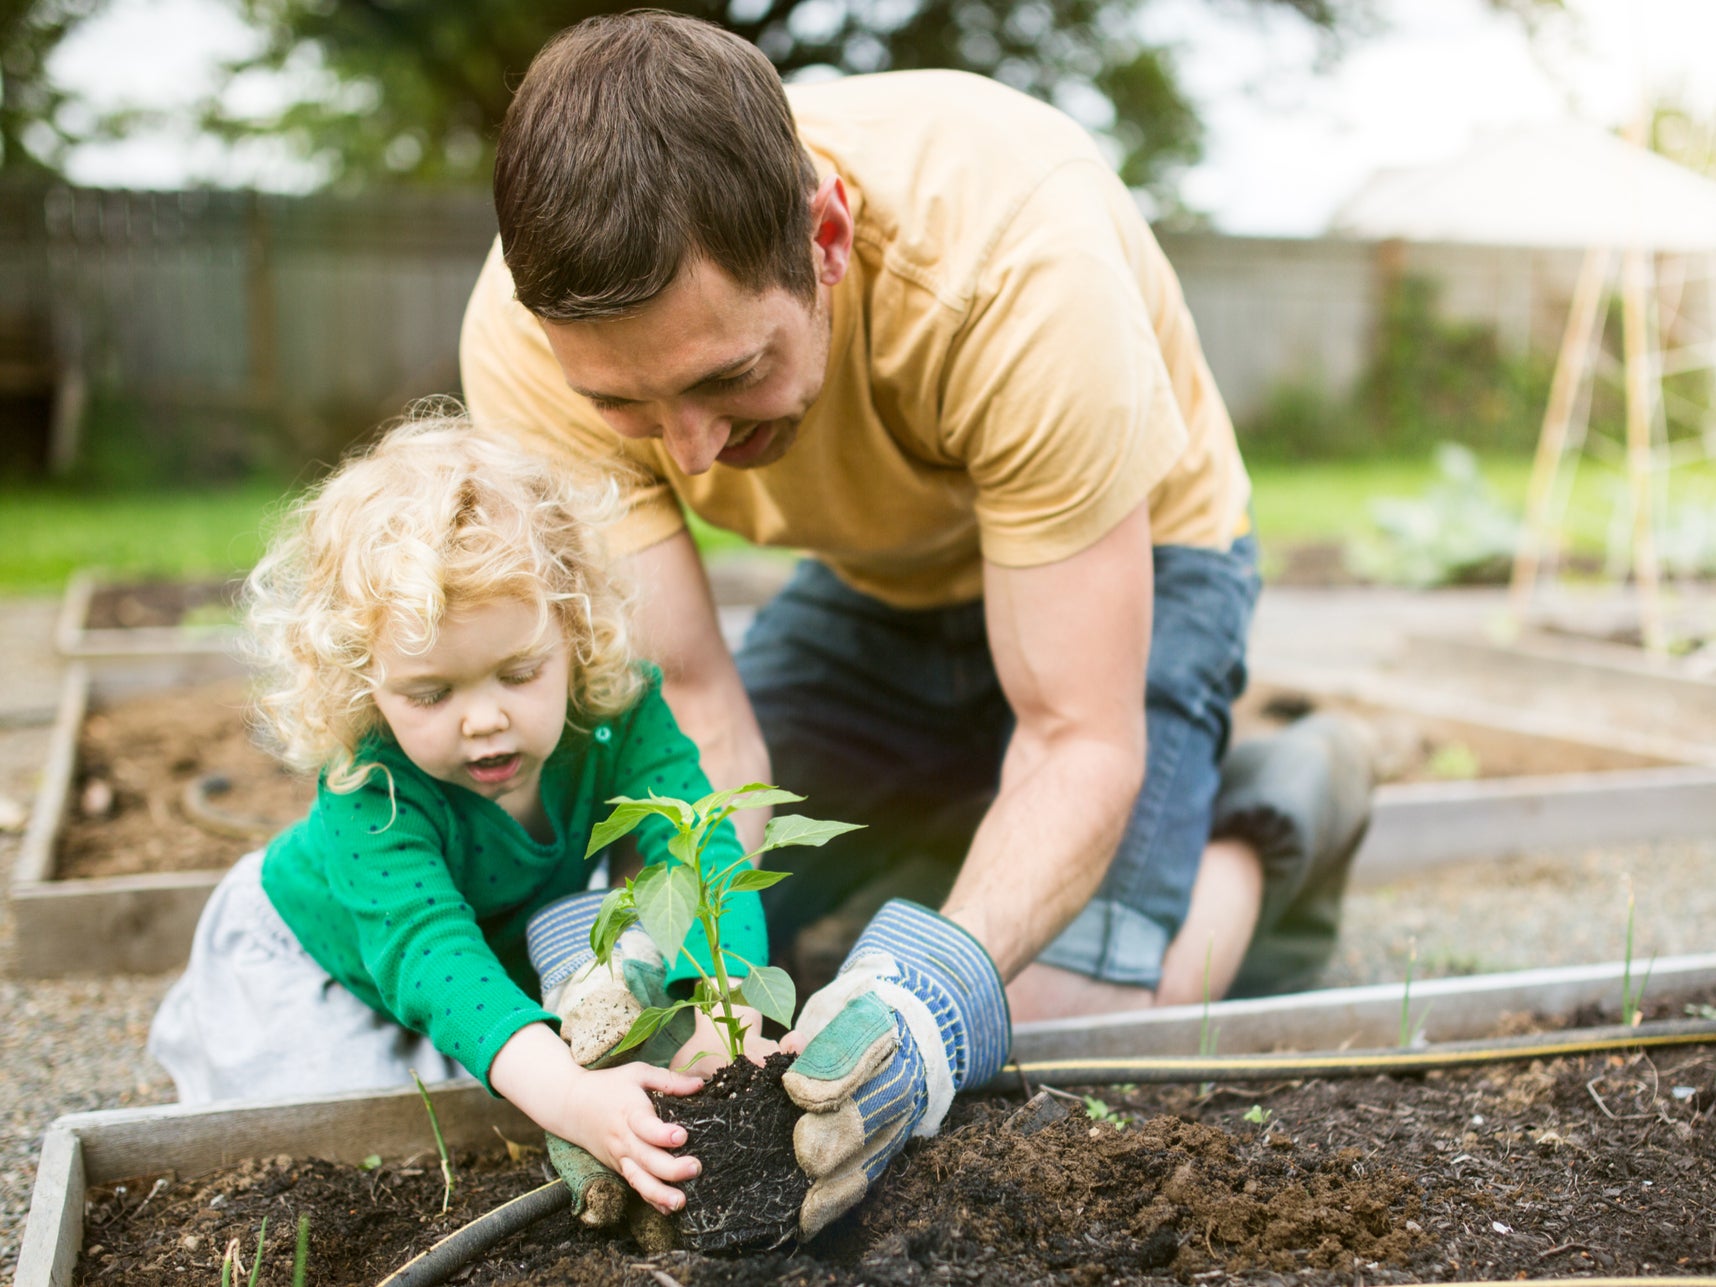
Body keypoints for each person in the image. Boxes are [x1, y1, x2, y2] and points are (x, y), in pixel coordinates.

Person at [459, 12, 1374, 1236]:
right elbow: (699, 715)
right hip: (878, 584)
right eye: (629, 404)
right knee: (688, 977)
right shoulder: (531, 346)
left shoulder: (1017, 267)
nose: (691, 451)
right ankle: (954, 823)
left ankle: (1272, 814)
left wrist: (935, 999)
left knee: (1055, 1022)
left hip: (1139, 561)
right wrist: (641, 992)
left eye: (730, 376)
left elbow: (1073, 737)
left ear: (826, 239)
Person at [147, 413, 776, 1218]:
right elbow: (429, 953)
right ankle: (205, 1020)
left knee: (520, 1072)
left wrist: (729, 1012)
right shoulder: (370, 786)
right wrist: (573, 1101)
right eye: (431, 693)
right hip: (309, 962)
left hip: (480, 941)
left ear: (573, 633)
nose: (483, 719)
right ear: (362, 680)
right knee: (353, 1141)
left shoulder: (617, 710)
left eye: (518, 672)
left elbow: (697, 844)